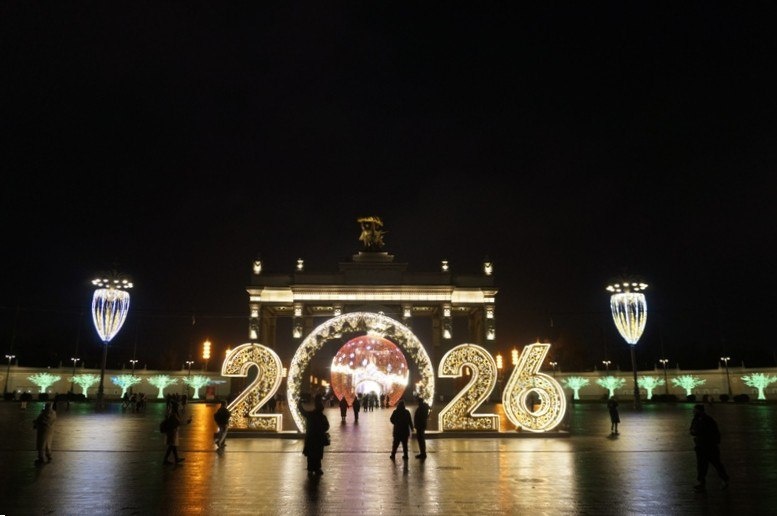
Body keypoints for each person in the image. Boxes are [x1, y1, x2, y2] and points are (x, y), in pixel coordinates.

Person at [690, 404, 729, 491]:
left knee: (715, 464)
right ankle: (702, 482)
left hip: (709, 446)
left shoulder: (707, 420)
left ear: (699, 410)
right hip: (701, 446)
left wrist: (697, 432)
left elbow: (707, 431)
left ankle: (724, 479)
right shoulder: (697, 419)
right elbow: (692, 430)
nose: (693, 411)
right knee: (702, 465)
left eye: (695, 410)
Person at [299, 394, 330, 477]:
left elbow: (303, 412)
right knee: (318, 455)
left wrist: (299, 404)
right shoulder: (322, 417)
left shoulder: (310, 415)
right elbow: (327, 426)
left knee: (311, 455)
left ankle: (310, 468)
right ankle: (317, 468)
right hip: (318, 439)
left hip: (311, 438)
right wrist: (321, 430)